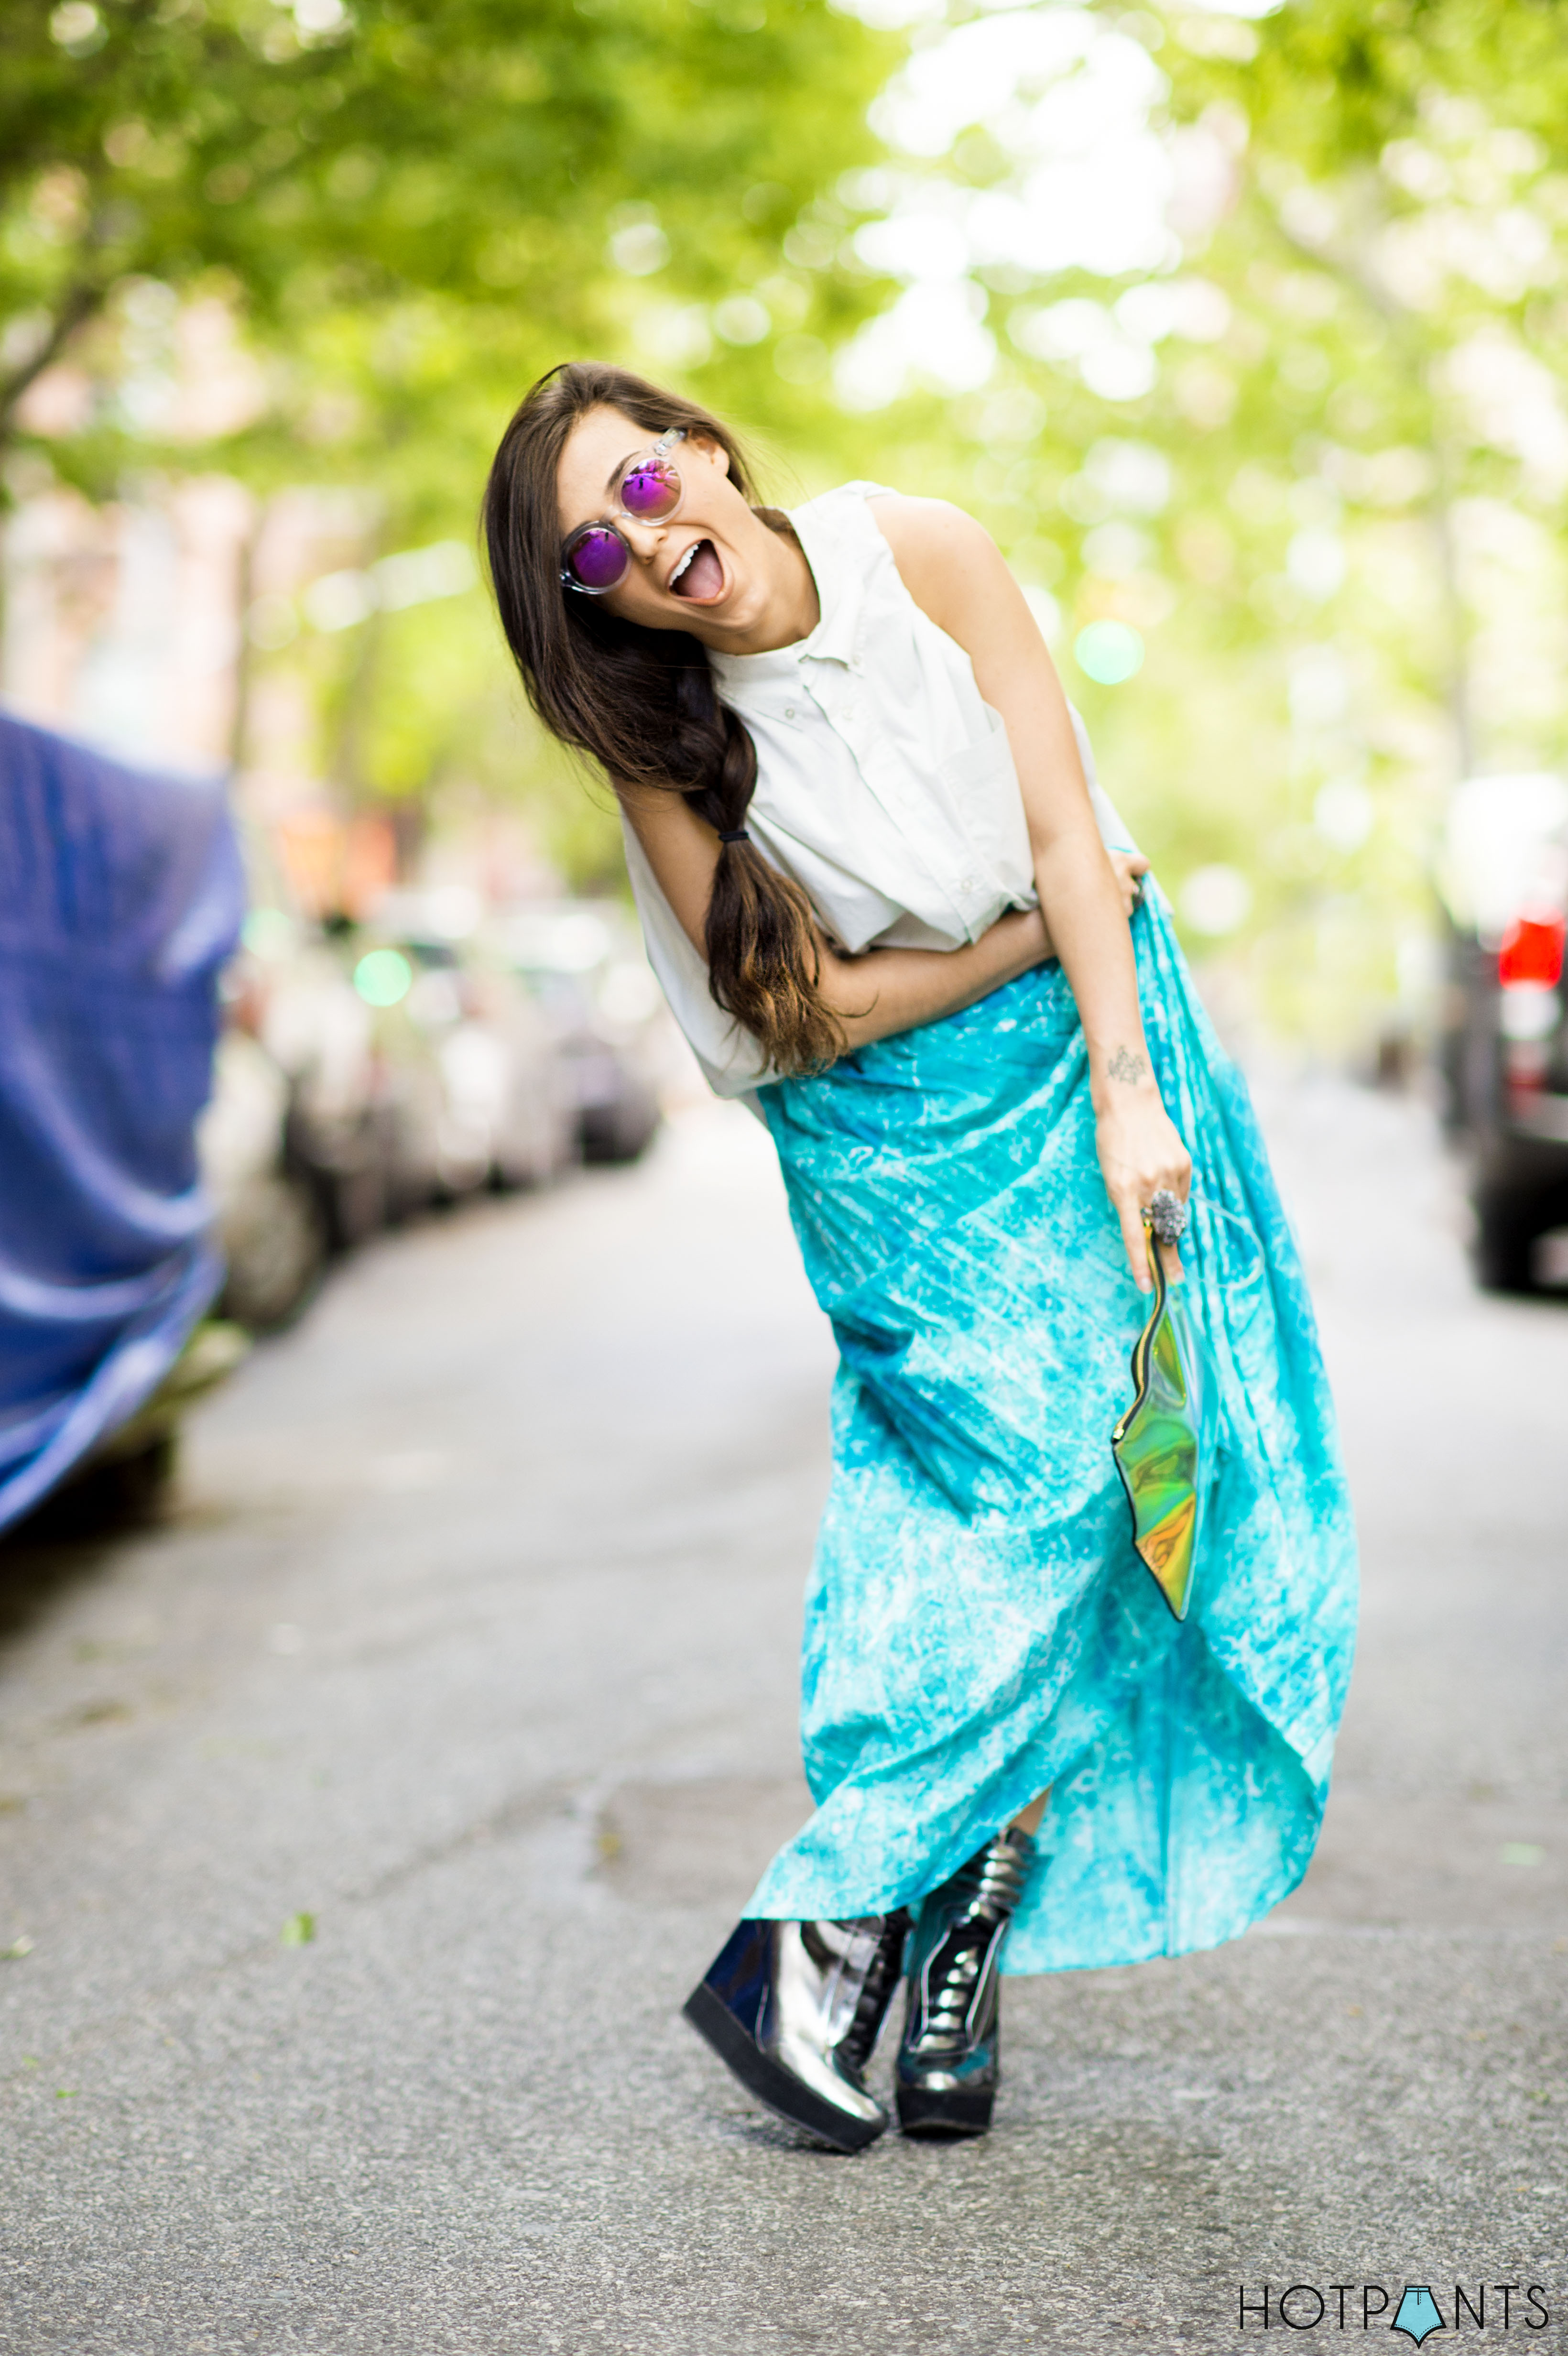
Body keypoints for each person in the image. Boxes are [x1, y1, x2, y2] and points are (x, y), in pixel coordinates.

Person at [482, 362, 1357, 2152]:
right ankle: (809, 1945)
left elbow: (1065, 820)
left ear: (706, 450)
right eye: (595, 551)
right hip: (882, 1147)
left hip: (1085, 1060)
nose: (647, 546)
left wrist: (1123, 1086)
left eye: (646, 488)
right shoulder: (658, 732)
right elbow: (800, 1012)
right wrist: (1033, 937)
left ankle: (947, 1965)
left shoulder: (926, 556)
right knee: (1018, 1494)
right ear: (592, 602)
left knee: (1131, 1479)